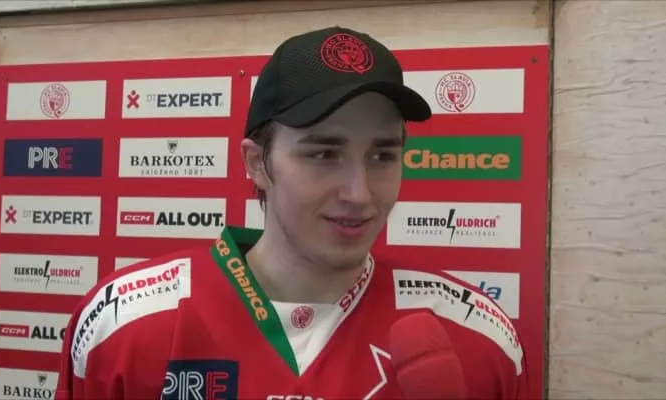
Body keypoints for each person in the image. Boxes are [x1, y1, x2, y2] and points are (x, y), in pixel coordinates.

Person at [55, 26, 528, 399]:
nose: (360, 193)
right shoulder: (122, 326)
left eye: (383, 155)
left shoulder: (477, 338)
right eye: (323, 154)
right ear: (257, 163)